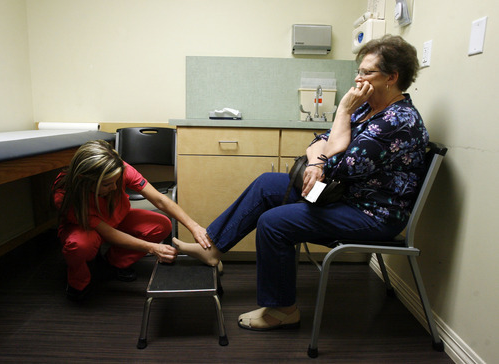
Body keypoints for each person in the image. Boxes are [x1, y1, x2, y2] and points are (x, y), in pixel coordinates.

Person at [173, 34, 429, 331]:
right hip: (344, 196)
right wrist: (320, 157)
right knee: (269, 183)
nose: (358, 79)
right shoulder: (368, 108)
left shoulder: (397, 120)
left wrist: (335, 129)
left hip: (372, 214)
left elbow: (340, 165)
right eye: (358, 71)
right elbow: (320, 141)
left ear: (392, 77)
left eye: (366, 72)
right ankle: (212, 249)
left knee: (274, 222)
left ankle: (282, 309)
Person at [53, 139, 209, 301]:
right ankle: (79, 281)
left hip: (116, 217)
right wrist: (152, 248)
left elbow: (159, 200)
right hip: (86, 229)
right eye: (107, 184)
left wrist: (194, 226)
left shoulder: (120, 168)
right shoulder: (65, 196)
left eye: (116, 181)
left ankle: (112, 264)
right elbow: (109, 233)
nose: (115, 188)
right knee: (79, 246)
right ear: (85, 180)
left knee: (161, 225)